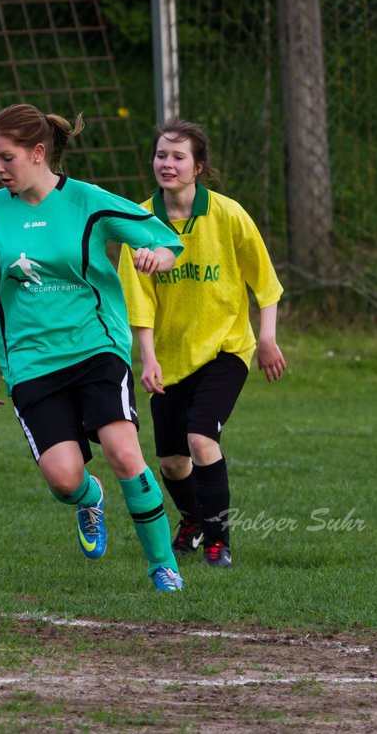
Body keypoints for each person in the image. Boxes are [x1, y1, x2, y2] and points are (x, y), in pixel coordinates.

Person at [0, 103, 188, 593]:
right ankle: (89, 498)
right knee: (64, 480)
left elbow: (165, 239)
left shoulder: (88, 202)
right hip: (29, 357)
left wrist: (156, 254)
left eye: (6, 158)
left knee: (122, 451)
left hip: (96, 346)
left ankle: (163, 566)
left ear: (37, 152)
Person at [117, 119, 286, 569]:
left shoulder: (228, 214)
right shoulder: (138, 220)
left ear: (199, 167)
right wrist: (148, 358)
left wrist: (266, 338)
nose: (167, 164)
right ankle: (192, 520)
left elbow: (265, 282)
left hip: (226, 349)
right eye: (160, 155)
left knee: (200, 441)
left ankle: (218, 541)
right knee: (172, 461)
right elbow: (139, 302)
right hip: (170, 357)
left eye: (178, 157)